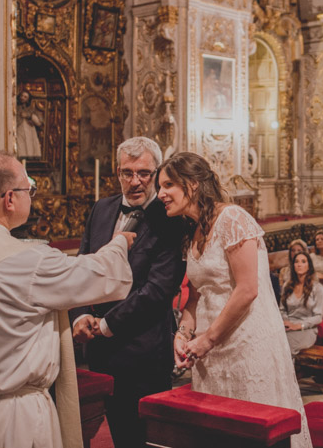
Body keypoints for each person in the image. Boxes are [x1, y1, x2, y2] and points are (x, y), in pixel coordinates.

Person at [0, 152, 134, 448]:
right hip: (11, 420)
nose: (31, 197)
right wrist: (119, 242)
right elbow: (106, 277)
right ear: (9, 199)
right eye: (29, 190)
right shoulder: (26, 262)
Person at [157, 152, 312, 447]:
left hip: (246, 344)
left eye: (167, 185)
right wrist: (184, 333)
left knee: (254, 433)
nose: (160, 194)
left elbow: (247, 289)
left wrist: (207, 340)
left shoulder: (233, 218)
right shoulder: (194, 230)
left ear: (191, 185)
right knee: (218, 434)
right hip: (210, 351)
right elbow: (198, 293)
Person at [70, 137, 189, 448]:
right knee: (115, 434)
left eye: (144, 173)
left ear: (157, 172)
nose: (135, 181)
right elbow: (83, 267)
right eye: (127, 172)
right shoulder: (101, 208)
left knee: (145, 438)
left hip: (145, 350)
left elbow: (158, 289)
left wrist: (107, 325)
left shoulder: (170, 219)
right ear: (117, 171)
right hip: (98, 348)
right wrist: (80, 314)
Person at [279, 252, 323, 356]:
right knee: (272, 340)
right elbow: (282, 309)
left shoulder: (317, 288)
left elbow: (318, 317)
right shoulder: (287, 285)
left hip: (307, 329)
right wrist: (286, 321)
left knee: (286, 345)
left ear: (309, 266)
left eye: (303, 261)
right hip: (288, 327)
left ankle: (288, 371)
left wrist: (299, 325)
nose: (299, 264)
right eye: (296, 262)